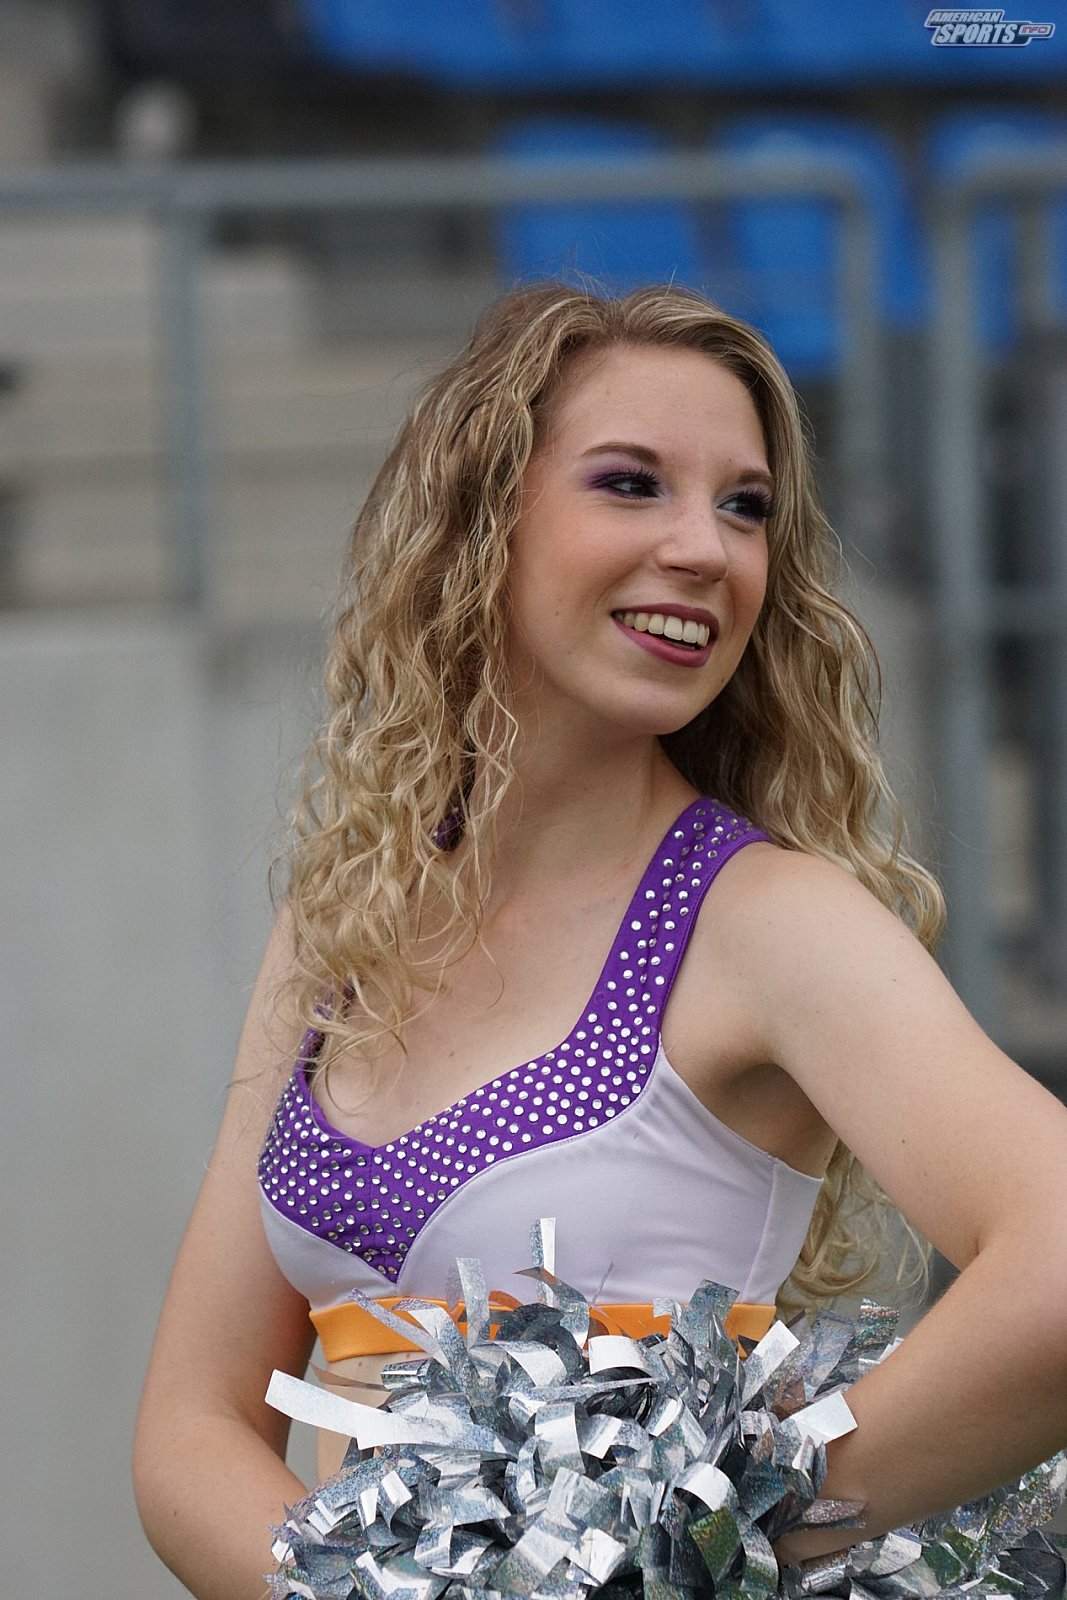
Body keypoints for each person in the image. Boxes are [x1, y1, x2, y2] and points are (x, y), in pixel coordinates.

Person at [133, 283, 1067, 1600]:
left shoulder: (765, 922)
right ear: (482, 526)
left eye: (745, 507)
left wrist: (713, 1538)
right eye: (632, 485)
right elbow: (194, 1423)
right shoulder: (342, 925)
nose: (705, 548)